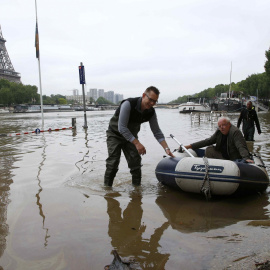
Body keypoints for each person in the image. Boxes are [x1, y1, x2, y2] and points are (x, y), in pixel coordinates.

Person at [104, 86, 174, 186]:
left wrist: (166, 148)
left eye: (155, 101)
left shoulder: (151, 112)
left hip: (131, 137)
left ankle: (137, 191)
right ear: (144, 95)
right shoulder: (128, 104)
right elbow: (122, 128)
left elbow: (157, 132)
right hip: (115, 135)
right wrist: (137, 143)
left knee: (136, 163)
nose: (152, 103)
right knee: (113, 163)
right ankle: (107, 189)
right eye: (150, 100)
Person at [184, 117, 253, 163]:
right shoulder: (219, 132)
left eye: (223, 125)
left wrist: (246, 158)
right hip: (223, 155)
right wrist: (190, 146)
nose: (221, 128)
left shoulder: (235, 132)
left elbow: (240, 146)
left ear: (229, 124)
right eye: (219, 126)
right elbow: (208, 141)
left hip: (232, 158)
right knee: (209, 149)